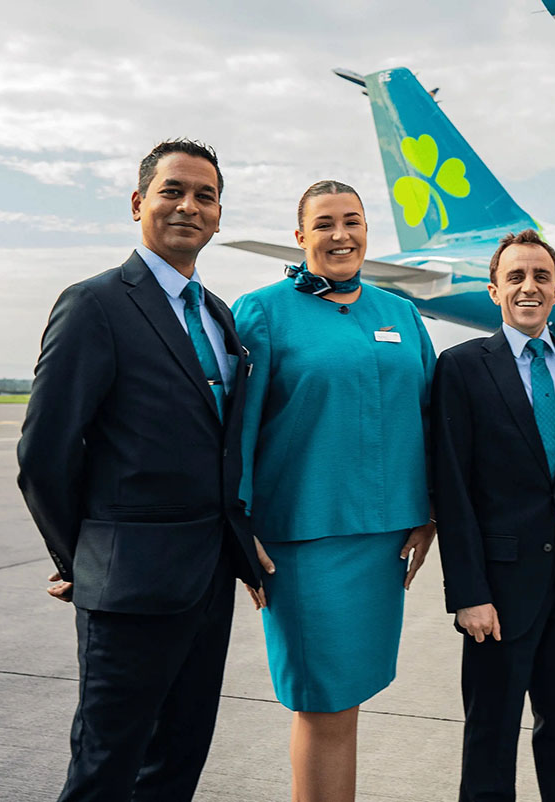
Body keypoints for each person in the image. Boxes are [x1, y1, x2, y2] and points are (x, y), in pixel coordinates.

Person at [17, 139, 262, 802]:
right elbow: (43, 454)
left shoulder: (218, 317)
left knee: (177, 765)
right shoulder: (94, 304)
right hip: (126, 585)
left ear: (218, 216)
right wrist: (84, 559)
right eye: (173, 191)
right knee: (104, 770)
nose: (189, 206)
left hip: (206, 581)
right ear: (138, 203)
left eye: (205, 196)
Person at [232, 180, 437, 802]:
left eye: (352, 221)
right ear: (300, 237)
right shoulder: (262, 312)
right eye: (324, 224)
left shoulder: (399, 313)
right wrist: (237, 527)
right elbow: (235, 433)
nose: (340, 234)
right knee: (322, 702)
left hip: (384, 542)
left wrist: (430, 512)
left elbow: (430, 417)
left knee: (352, 696)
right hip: (302, 540)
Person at [431, 228, 555, 802]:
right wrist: (467, 591)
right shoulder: (460, 367)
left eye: (540, 277)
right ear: (494, 290)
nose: (528, 287)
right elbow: (452, 486)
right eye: (515, 277)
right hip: (498, 586)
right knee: (491, 733)